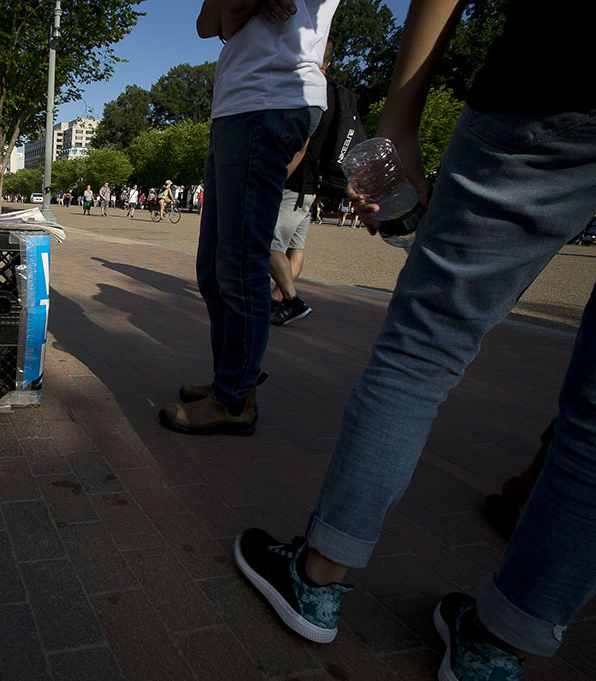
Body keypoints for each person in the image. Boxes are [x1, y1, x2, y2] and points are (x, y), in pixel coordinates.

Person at [234, 2, 596, 681]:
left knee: (421, 353)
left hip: (559, 76)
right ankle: (499, 641)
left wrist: (399, 118)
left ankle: (319, 575)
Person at [158, 0, 335, 436]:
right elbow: (209, 23)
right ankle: (231, 382)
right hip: (237, 105)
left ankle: (234, 399)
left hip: (271, 97)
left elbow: (229, 15)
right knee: (215, 268)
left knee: (240, 264)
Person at [269, 38, 340, 327]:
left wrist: (277, 177)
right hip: (315, 185)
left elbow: (301, 144)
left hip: (295, 183)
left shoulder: (311, 91)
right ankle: (276, 302)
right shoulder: (339, 94)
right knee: (295, 248)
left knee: (266, 243)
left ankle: (291, 300)